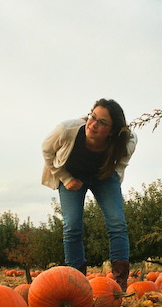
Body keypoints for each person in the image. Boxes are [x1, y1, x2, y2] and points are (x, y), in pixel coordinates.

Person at [41, 98, 137, 291]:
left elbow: (121, 164)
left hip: (104, 176)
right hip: (71, 175)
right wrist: (65, 178)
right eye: (92, 117)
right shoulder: (66, 130)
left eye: (102, 122)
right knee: (72, 226)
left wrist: (109, 180)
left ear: (112, 130)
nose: (93, 124)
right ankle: (77, 284)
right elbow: (47, 151)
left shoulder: (127, 141)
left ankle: (119, 284)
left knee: (117, 223)